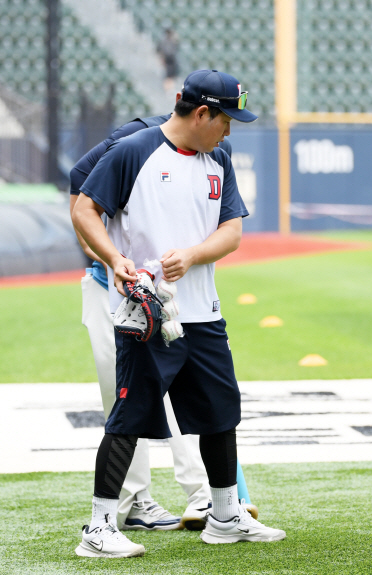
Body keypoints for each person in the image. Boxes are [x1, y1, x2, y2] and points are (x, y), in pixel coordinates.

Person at [72, 69, 285, 558]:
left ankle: (226, 517)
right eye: (226, 119)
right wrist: (112, 257)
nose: (230, 130)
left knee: (219, 414)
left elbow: (231, 232)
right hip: (146, 314)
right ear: (202, 112)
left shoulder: (219, 161)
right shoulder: (133, 151)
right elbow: (85, 209)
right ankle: (99, 528)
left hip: (203, 312)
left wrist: (192, 255)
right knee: (130, 416)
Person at [157, 28, 180, 93]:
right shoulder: (165, 42)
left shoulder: (171, 41)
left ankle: (170, 90)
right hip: (168, 60)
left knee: (171, 76)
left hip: (171, 61)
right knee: (168, 76)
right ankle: (168, 90)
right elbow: (161, 51)